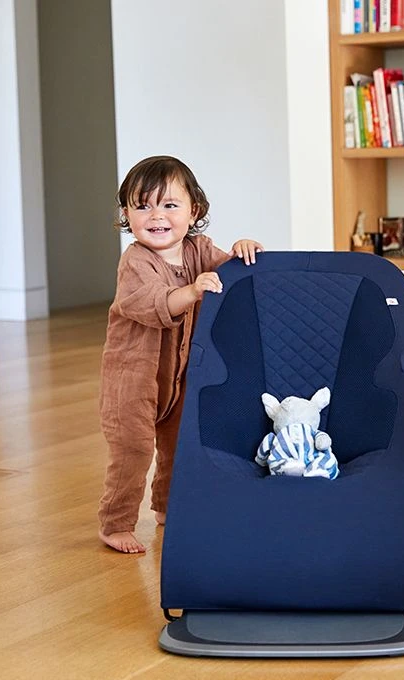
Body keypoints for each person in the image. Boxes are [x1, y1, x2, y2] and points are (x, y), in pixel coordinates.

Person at [98, 155, 263, 553]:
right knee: (134, 448)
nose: (156, 216)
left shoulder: (199, 249)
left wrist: (244, 250)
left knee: (179, 444)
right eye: (143, 206)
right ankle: (115, 522)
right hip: (132, 379)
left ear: (195, 211)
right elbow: (151, 303)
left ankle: (167, 505)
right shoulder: (135, 261)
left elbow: (235, 276)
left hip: (181, 373)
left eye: (169, 205)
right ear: (126, 215)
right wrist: (191, 291)